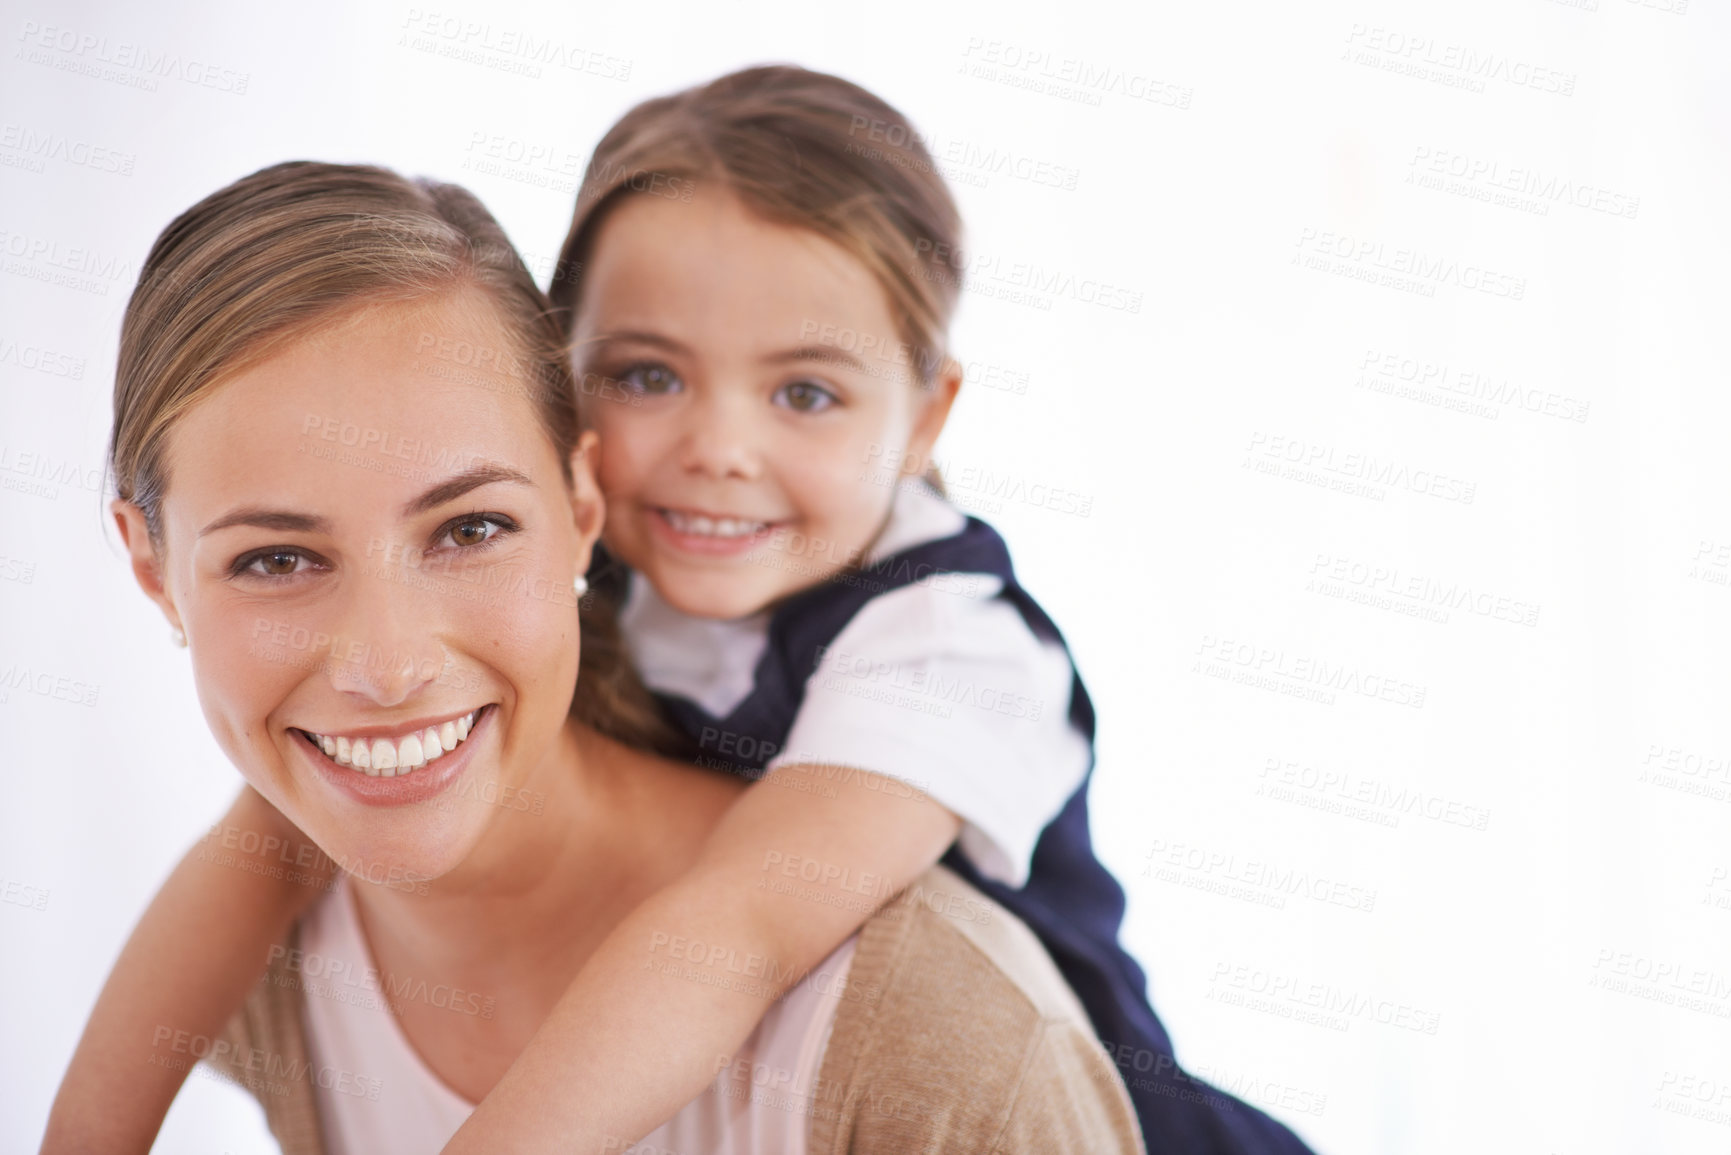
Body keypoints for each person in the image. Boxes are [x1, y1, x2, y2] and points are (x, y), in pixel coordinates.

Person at [44, 159, 1143, 1154]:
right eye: (277, 558)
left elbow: (743, 930)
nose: (385, 667)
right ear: (152, 569)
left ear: (580, 502)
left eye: (471, 530)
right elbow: (252, 852)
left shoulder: (943, 1017)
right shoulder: (278, 955)